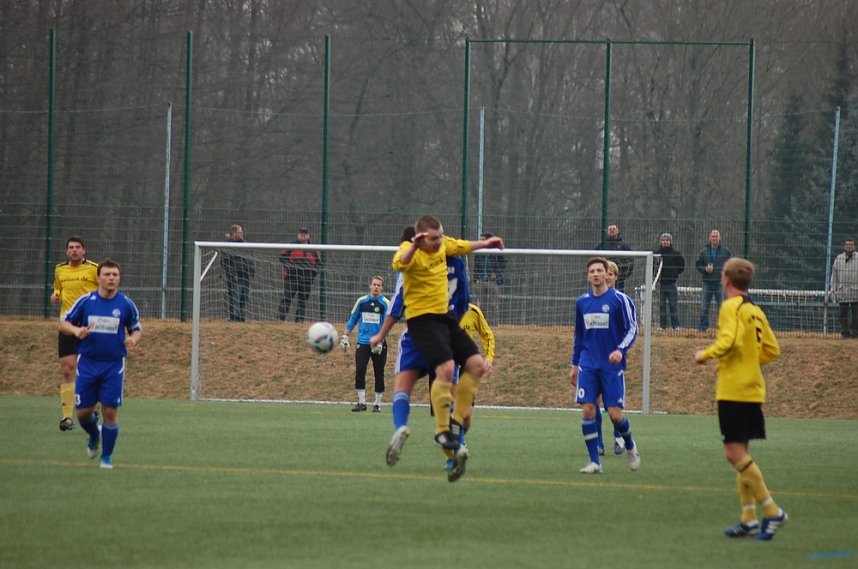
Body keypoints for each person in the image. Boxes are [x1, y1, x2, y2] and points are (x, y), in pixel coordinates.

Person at [391, 216, 503, 476]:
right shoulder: (411, 253)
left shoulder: (444, 246)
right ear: (420, 238)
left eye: (441, 236)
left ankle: (452, 427)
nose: (439, 241)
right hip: (422, 322)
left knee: (475, 366)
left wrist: (487, 243)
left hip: (446, 321)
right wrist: (413, 247)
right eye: (433, 238)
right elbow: (399, 263)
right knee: (444, 369)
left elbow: (462, 246)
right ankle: (442, 433)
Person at [373, 225, 477, 482]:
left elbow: (398, 304)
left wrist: (381, 334)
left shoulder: (414, 264)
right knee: (448, 400)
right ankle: (454, 452)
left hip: (418, 333)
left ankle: (401, 428)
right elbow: (464, 302)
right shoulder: (457, 264)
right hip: (447, 334)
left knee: (402, 388)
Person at [694, 257, 787, 541]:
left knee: (732, 454)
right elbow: (772, 349)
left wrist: (705, 354)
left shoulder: (730, 307)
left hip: (734, 389)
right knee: (742, 453)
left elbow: (729, 340)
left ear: (726, 280)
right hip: (754, 387)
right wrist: (747, 361)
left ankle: (772, 511)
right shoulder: (755, 310)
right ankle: (748, 518)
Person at [59, 258, 143, 469]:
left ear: (119, 278)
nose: (111, 278)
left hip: (113, 365)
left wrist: (133, 339)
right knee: (83, 413)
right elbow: (63, 324)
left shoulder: (125, 303)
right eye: (107, 274)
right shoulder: (86, 302)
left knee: (110, 412)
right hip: (87, 363)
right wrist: (76, 330)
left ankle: (106, 458)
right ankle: (94, 434)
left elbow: (136, 328)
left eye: (115, 275)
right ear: (98, 278)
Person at [570, 257, 640, 474]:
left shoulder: (620, 300)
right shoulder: (582, 302)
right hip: (588, 364)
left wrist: (620, 350)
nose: (596, 274)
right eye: (592, 271)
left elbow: (632, 328)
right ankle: (595, 462)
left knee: (615, 414)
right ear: (588, 275)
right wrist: (574, 364)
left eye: (600, 270)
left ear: (607, 274)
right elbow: (579, 336)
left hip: (611, 366)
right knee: (588, 409)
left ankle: (629, 444)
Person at [50, 236, 99, 431]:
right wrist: (56, 296)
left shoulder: (94, 269)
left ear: (84, 250)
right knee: (67, 370)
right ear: (66, 251)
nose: (74, 250)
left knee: (91, 370)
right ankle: (67, 417)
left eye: (78, 247)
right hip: (68, 325)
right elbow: (58, 291)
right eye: (71, 247)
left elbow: (105, 290)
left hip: (89, 326)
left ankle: (93, 408)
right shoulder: (60, 269)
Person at [340, 276, 391, 412]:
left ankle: (377, 404)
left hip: (379, 344)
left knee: (379, 373)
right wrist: (345, 335)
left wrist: (381, 339)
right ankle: (361, 402)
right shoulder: (362, 302)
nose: (376, 287)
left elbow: (388, 324)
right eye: (374, 284)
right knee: (360, 370)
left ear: (382, 288)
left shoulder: (385, 303)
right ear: (370, 286)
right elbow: (353, 319)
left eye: (379, 285)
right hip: (362, 342)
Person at [278, 227, 320, 323]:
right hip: (291, 278)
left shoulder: (313, 249)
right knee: (287, 298)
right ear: (298, 235)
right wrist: (291, 268)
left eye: (305, 234)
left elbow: (318, 264)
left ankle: (299, 321)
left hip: (306, 279)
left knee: (302, 302)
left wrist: (312, 274)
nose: (303, 235)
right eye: (301, 233)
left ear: (308, 236)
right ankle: (280, 319)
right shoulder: (291, 246)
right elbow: (282, 258)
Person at [695, 229, 732, 331]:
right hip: (707, 282)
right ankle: (703, 328)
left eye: (716, 236)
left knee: (722, 307)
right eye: (713, 236)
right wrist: (705, 269)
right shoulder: (704, 251)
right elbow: (698, 265)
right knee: (704, 307)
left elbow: (730, 266)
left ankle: (723, 328)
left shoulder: (726, 251)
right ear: (709, 238)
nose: (714, 238)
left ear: (719, 238)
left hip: (720, 283)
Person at [221, 224, 255, 322]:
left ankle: (241, 317)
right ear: (234, 233)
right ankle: (233, 317)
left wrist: (252, 270)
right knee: (235, 297)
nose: (242, 234)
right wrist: (232, 274)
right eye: (240, 232)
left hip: (246, 275)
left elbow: (250, 257)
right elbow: (225, 262)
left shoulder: (245, 244)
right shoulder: (228, 245)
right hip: (235, 276)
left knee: (244, 297)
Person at [472, 232, 507, 323]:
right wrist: (476, 279)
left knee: (493, 304)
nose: (481, 241)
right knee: (482, 305)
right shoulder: (479, 252)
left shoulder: (496, 251)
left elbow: (503, 264)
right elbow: (476, 266)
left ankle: (494, 324)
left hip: (493, 281)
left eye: (483, 239)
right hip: (481, 281)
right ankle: (483, 324)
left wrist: (496, 274)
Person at [654, 232, 685, 330]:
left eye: (667, 240)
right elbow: (654, 267)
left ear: (670, 241)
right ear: (660, 241)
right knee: (662, 306)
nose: (665, 242)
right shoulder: (657, 254)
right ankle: (662, 325)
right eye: (663, 240)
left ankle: (676, 325)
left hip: (672, 283)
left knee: (673, 305)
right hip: (662, 284)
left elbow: (681, 266)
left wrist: (674, 273)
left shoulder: (676, 254)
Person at [829, 238, 858, 338]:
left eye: (851, 244)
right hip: (842, 292)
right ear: (844, 246)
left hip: (856, 293)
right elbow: (834, 275)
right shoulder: (839, 259)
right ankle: (845, 333)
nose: (849, 246)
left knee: (856, 316)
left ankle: (855, 333)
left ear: (854, 246)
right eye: (847, 244)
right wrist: (833, 288)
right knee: (842, 315)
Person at [595, 224, 634, 292]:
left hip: (619, 281)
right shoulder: (601, 246)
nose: (612, 231)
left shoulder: (624, 246)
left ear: (618, 231)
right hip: (602, 280)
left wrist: (621, 276)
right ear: (607, 232)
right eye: (610, 229)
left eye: (614, 229)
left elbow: (630, 262)